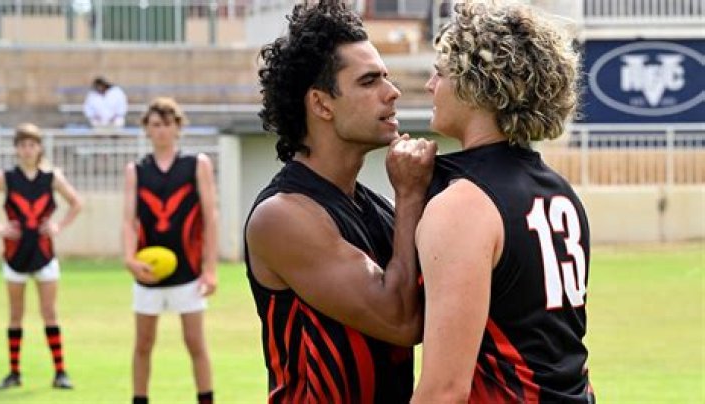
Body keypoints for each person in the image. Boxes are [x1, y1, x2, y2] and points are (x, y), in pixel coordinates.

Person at [245, 1, 436, 402]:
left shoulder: (375, 206)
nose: (392, 92)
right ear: (321, 104)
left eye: (386, 78)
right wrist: (409, 195)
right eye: (369, 81)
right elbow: (401, 319)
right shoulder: (282, 216)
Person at [412, 1, 595, 402]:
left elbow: (444, 390)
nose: (429, 85)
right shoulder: (560, 192)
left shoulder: (463, 206)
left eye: (440, 73)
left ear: (477, 86)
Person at [121, 97, 218, 404]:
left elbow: (210, 217)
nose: (161, 130)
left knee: (195, 342)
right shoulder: (135, 171)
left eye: (167, 124)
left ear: (178, 127)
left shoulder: (197, 165)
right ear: (147, 130)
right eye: (155, 124)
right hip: (147, 272)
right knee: (143, 344)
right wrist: (129, 259)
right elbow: (128, 221)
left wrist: (210, 269)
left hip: (188, 271)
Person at [0, 123, 82, 390]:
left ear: (39, 148)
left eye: (32, 145)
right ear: (16, 149)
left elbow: (76, 202)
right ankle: (14, 372)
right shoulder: (5, 177)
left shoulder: (51, 177)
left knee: (49, 313)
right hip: (15, 254)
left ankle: (60, 372)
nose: (27, 150)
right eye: (23, 145)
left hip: (44, 253)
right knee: (15, 314)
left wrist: (58, 226)